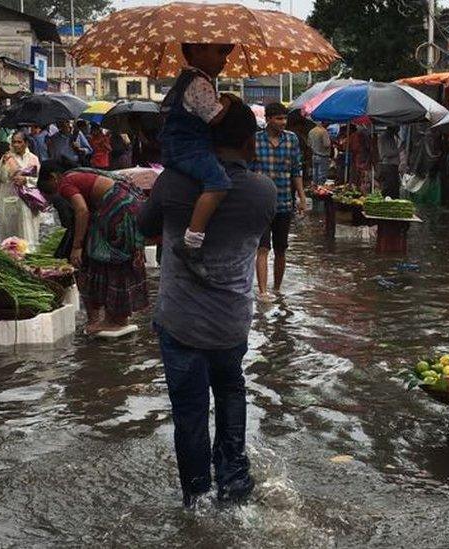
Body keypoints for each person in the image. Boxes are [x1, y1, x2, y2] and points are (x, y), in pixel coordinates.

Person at [138, 101, 276, 507]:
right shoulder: (263, 191)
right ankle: (235, 485)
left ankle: (196, 497)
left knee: (190, 413)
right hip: (231, 323)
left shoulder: (175, 183)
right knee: (232, 393)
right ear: (251, 143)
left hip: (180, 323)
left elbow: (143, 229)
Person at [38, 160, 148, 336]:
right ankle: (117, 318)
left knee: (109, 261)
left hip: (118, 211)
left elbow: (82, 210)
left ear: (53, 177)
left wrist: (77, 246)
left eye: (52, 190)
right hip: (129, 208)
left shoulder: (65, 182)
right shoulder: (76, 174)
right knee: (118, 264)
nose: (57, 194)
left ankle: (114, 320)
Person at [158, 42, 237, 280]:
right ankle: (192, 243)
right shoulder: (199, 83)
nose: (225, 60)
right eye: (220, 52)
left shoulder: (185, 82)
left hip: (177, 149)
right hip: (188, 148)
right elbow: (214, 117)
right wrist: (228, 101)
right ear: (196, 51)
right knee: (219, 182)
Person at [252, 102, 306, 300]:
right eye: (279, 119)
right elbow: (248, 172)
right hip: (260, 204)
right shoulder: (255, 140)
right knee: (263, 248)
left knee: (281, 249)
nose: (283, 123)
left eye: (285, 119)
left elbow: (296, 171)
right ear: (268, 119)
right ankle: (263, 292)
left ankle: (277, 289)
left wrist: (302, 197)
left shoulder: (292, 140)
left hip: (284, 202)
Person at [0, 131, 43, 248]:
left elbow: (39, 179)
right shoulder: (7, 158)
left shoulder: (33, 159)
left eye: (19, 142)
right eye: (14, 142)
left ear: (26, 143)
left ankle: (30, 253)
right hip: (12, 199)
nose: (16, 145)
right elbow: (1, 178)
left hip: (29, 201)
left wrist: (26, 180)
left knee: (29, 230)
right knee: (12, 231)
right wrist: (3, 164)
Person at [377, 126, 401, 197]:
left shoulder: (391, 136)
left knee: (393, 187)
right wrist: (398, 150)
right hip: (389, 165)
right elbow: (386, 153)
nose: (399, 129)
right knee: (389, 188)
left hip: (392, 165)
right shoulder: (385, 136)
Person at [308, 119, 332, 185]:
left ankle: (314, 189)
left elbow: (309, 144)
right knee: (322, 175)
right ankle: (320, 190)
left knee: (315, 174)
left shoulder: (311, 131)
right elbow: (326, 144)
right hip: (323, 156)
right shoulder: (324, 131)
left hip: (314, 155)